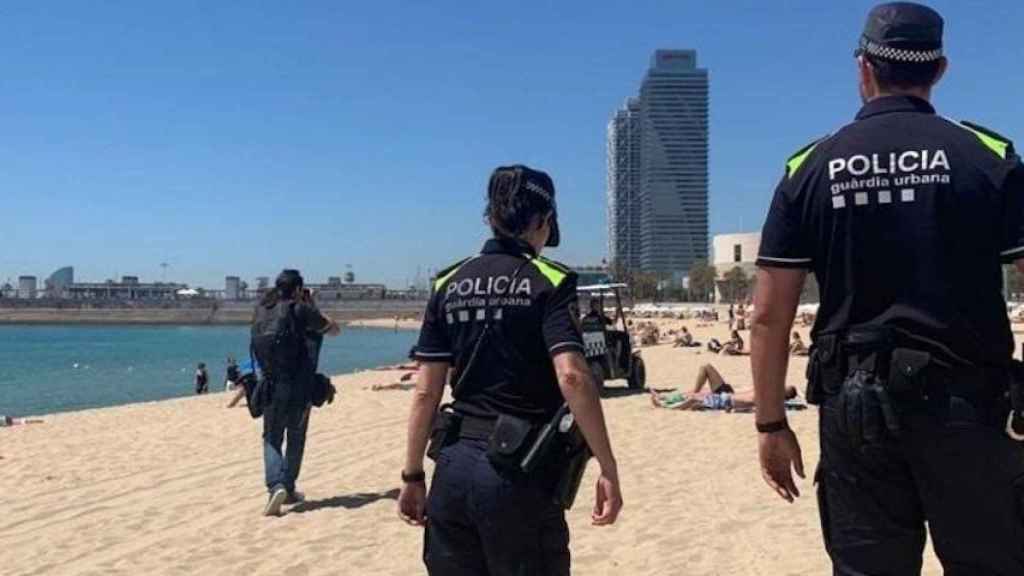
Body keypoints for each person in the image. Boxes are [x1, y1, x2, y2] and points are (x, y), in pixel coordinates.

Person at [751, 4, 1024, 573]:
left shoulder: (810, 166)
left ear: (863, 68)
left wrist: (771, 423)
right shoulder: (987, 158)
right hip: (968, 406)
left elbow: (768, 316)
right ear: (940, 69)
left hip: (854, 406)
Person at [398, 165, 622, 575]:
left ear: (491, 217)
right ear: (541, 220)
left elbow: (426, 393)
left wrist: (412, 474)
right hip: (518, 476)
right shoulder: (550, 280)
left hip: (453, 466)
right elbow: (571, 375)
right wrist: (607, 466)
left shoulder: (448, 282)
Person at [251, 269, 340, 516]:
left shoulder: (261, 312)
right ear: (299, 289)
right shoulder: (300, 309)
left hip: (269, 384)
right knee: (296, 437)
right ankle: (287, 487)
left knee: (271, 437)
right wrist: (314, 306)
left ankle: (275, 486)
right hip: (299, 386)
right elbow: (333, 330)